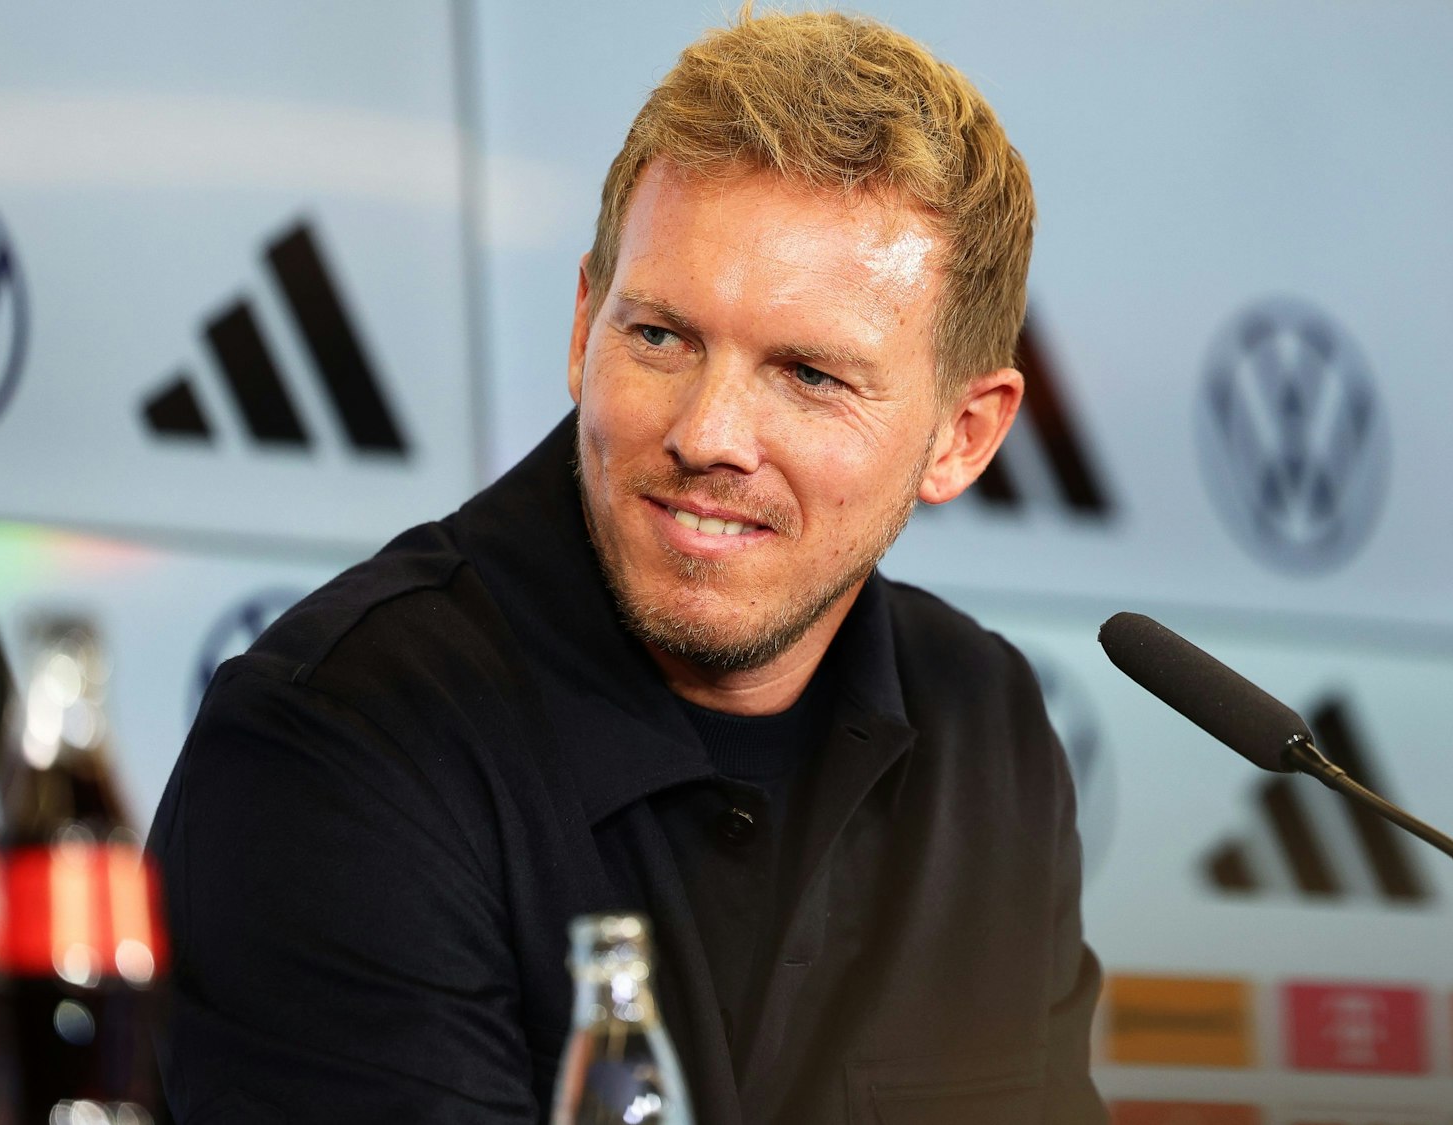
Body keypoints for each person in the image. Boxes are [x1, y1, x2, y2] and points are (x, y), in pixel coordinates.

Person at [148, 9, 1105, 1123]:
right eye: (659, 336)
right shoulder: (340, 739)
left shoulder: (982, 730)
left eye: (805, 374)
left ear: (963, 436)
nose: (706, 433)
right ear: (580, 328)